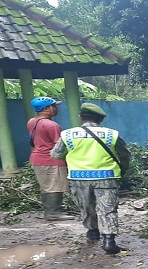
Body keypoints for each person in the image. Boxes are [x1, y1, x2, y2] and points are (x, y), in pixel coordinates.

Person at [51, 103, 130, 255]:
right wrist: (122, 170)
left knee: (86, 206)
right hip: (107, 177)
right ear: (101, 119)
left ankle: (93, 232)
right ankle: (109, 241)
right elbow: (124, 154)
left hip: (79, 178)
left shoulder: (68, 135)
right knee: (107, 209)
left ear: (80, 117)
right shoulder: (111, 134)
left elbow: (56, 154)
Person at [28, 96, 73, 221]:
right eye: (54, 106)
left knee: (46, 186)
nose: (56, 109)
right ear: (46, 108)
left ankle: (49, 210)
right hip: (51, 159)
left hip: (37, 158)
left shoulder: (32, 121)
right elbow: (59, 146)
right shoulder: (52, 125)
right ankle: (53, 213)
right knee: (55, 186)